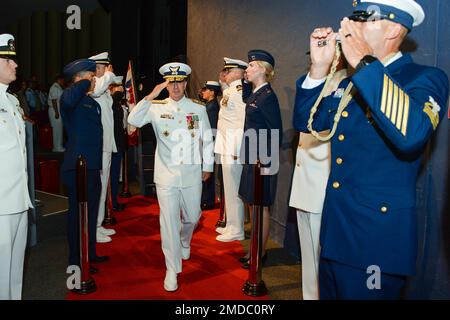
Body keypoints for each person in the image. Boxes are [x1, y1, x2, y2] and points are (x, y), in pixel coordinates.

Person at [293, 0, 449, 299]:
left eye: (363, 19)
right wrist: (319, 68)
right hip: (337, 234)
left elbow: (413, 134)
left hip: (376, 243)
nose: (349, 26)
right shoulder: (351, 83)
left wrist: (365, 64)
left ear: (392, 29)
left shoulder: (425, 79)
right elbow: (306, 122)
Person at [128, 62, 214, 292]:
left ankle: (185, 239)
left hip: (192, 172)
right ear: (166, 85)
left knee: (193, 216)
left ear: (186, 83)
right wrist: (151, 95)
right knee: (168, 223)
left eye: (180, 82)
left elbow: (207, 138)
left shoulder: (198, 108)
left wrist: (208, 166)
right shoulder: (155, 107)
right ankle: (172, 269)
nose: (175, 87)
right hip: (165, 174)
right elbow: (133, 120)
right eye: (171, 83)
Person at [289, 56, 347, 300]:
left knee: (323, 257)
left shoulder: (348, 86)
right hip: (304, 182)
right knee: (309, 257)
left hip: (323, 183)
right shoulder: (311, 82)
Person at [60, 58, 109, 274]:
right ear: (78, 79)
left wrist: (87, 80)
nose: (94, 80)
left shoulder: (94, 104)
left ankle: (89, 253)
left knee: (89, 214)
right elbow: (70, 99)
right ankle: (75, 261)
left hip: (92, 166)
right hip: (76, 167)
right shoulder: (69, 98)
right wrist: (84, 80)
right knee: (77, 216)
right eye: (91, 76)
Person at [238, 50, 283, 269]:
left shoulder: (268, 97)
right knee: (252, 204)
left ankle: (260, 253)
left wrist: (263, 158)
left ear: (264, 70)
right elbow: (246, 97)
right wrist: (247, 79)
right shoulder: (256, 94)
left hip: (262, 161)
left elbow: (276, 132)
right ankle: (253, 250)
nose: (247, 69)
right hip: (252, 159)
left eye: (252, 66)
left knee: (260, 207)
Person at [0, 34, 32, 300]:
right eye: (8, 60)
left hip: (18, 199)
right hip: (0, 205)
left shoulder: (11, 102)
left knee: (15, 270)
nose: (15, 65)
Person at [214, 57, 248, 242]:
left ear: (238, 72)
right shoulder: (232, 90)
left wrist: (237, 148)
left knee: (234, 189)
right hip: (227, 146)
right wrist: (222, 84)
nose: (225, 73)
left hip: (233, 147)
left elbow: (243, 120)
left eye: (228, 70)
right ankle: (230, 224)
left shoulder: (239, 91)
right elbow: (228, 107)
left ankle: (237, 229)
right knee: (229, 188)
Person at [88, 52, 117, 242]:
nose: (105, 71)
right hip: (98, 146)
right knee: (97, 186)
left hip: (106, 144)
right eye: (102, 68)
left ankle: (98, 224)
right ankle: (94, 227)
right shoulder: (93, 86)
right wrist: (110, 75)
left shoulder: (103, 88)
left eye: (105, 68)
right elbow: (97, 89)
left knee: (102, 185)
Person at [200, 80, 221, 210]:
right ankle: (206, 200)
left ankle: (207, 201)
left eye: (206, 89)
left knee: (207, 173)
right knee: (207, 173)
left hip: (209, 144)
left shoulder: (212, 107)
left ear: (212, 92)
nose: (203, 92)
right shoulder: (209, 105)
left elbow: (211, 129)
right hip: (207, 144)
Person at [109, 76, 127, 212]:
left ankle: (113, 202)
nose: (120, 88)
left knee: (115, 175)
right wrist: (117, 93)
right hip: (111, 145)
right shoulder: (109, 102)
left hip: (118, 144)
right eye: (116, 86)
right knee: (112, 176)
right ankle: (111, 204)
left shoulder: (117, 103)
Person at [47, 74, 65, 152]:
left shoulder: (58, 87)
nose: (63, 82)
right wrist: (56, 112)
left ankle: (58, 146)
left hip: (57, 110)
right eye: (63, 80)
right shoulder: (54, 87)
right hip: (54, 110)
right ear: (59, 80)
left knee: (59, 129)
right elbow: (54, 100)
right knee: (56, 129)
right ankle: (57, 147)